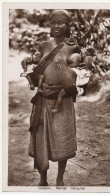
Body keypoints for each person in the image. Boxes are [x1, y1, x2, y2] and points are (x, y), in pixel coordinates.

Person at [21, 9, 80, 186]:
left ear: (68, 26)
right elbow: (36, 63)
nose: (56, 26)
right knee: (41, 140)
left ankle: (60, 178)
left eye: (61, 23)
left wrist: (68, 86)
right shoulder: (44, 45)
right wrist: (28, 61)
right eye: (53, 22)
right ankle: (43, 178)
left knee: (64, 138)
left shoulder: (73, 47)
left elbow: (80, 73)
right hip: (44, 98)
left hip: (63, 99)